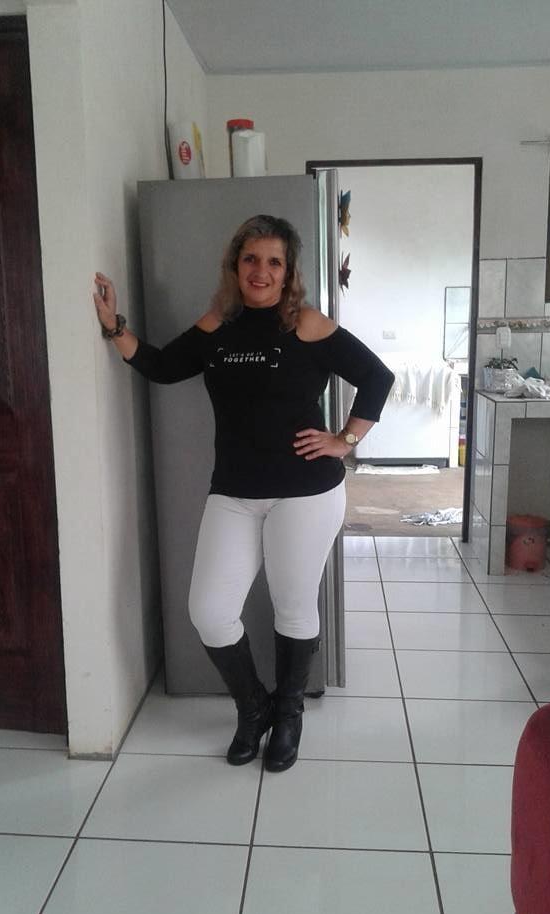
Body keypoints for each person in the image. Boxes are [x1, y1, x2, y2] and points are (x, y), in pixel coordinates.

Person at [93, 214, 394, 773]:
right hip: (233, 490)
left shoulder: (306, 324)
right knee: (209, 611)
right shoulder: (220, 325)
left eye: (274, 262)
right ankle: (254, 706)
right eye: (251, 259)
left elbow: (378, 377)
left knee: (293, 606)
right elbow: (163, 366)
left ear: (288, 271)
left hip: (305, 492)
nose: (261, 271)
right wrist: (114, 327)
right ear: (235, 266)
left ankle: (290, 712)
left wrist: (345, 440)